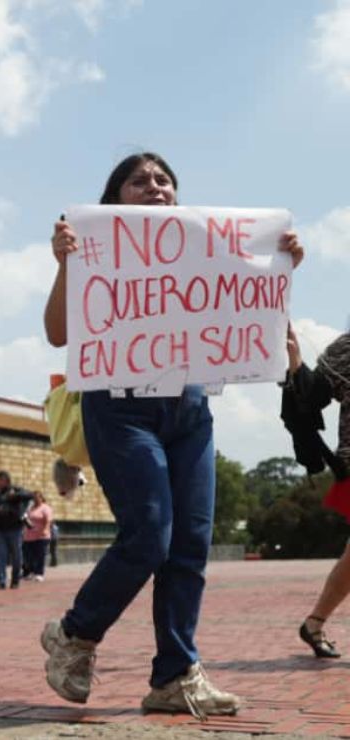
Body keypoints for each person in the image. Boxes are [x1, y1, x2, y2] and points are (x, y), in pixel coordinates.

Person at [40, 152, 305, 717]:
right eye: (139, 180)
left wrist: (280, 271)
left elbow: (246, 311)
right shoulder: (92, 249)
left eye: (164, 180)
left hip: (189, 412)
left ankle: (174, 675)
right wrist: (66, 264)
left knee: (189, 544)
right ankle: (75, 635)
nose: (154, 187)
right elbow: (59, 332)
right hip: (120, 408)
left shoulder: (205, 252)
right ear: (113, 202)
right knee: (150, 534)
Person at [287, 328, 350, 658]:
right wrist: (296, 362)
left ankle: (313, 624)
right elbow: (313, 396)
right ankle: (313, 624)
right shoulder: (348, 348)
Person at [0, 471, 32, 590]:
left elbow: (29, 495)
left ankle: (15, 580)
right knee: (1, 555)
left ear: (6, 480)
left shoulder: (15, 490)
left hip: (15, 529)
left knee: (16, 556)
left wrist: (15, 496)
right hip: (0, 529)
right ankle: (0, 581)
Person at [22, 491, 53, 582]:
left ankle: (39, 573)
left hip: (41, 536)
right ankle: (30, 572)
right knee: (28, 556)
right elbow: (26, 517)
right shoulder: (30, 508)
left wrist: (46, 529)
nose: (35, 499)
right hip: (29, 536)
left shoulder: (45, 508)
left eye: (37, 497)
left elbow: (48, 520)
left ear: (41, 498)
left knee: (39, 556)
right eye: (34, 498)